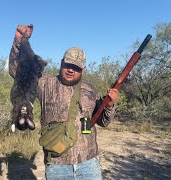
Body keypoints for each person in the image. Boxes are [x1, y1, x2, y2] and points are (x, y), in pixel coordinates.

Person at [9, 24, 119, 180]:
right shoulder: (45, 82)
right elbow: (18, 71)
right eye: (67, 65)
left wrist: (109, 106)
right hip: (57, 165)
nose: (70, 70)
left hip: (89, 163)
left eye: (76, 67)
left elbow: (103, 121)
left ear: (83, 69)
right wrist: (19, 42)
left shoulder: (90, 89)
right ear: (61, 63)